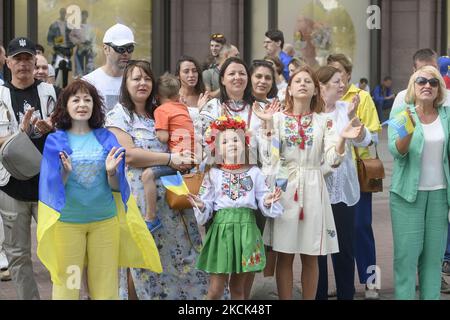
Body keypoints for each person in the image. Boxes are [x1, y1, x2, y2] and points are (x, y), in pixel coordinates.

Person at [37, 79, 162, 300]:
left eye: (88, 99)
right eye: (76, 100)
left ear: (95, 105)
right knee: (69, 286)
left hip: (104, 223)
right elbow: (51, 190)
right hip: (69, 225)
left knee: (105, 287)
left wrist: (112, 173)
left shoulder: (107, 138)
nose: (82, 104)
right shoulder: (55, 141)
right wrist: (64, 173)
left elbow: (117, 188)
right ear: (65, 106)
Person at [253, 66, 364, 300]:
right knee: (284, 255)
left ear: (316, 90)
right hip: (285, 189)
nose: (302, 84)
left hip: (315, 189)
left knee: (312, 255)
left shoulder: (325, 121)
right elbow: (267, 159)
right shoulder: (277, 119)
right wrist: (267, 126)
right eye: (298, 81)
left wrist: (343, 139)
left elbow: (333, 160)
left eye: (308, 81)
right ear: (290, 90)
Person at [106, 60, 209, 300]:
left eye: (147, 78)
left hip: (173, 200)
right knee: (140, 262)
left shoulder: (159, 110)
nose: (142, 83)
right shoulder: (119, 115)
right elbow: (129, 155)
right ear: (126, 83)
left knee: (179, 262)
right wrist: (170, 158)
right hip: (140, 201)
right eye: (136, 78)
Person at [188, 115, 283, 300]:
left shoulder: (254, 172)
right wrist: (201, 204)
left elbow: (262, 196)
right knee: (215, 290)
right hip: (221, 232)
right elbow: (206, 202)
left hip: (247, 231)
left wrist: (268, 199)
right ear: (216, 147)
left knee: (238, 289)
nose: (231, 143)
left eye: (236, 139)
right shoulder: (213, 173)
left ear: (244, 143)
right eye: (224, 141)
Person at [0, 37, 56, 300]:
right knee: (18, 255)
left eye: (27, 58)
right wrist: (19, 134)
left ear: (35, 61)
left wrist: (52, 127)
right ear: (8, 62)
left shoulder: (49, 92)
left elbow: (66, 127)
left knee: (59, 251)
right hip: (11, 185)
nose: (22, 63)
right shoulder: (0, 95)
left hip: (47, 184)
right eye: (17, 58)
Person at [388, 66, 450, 300]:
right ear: (413, 87)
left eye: (433, 82)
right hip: (406, 197)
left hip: (439, 195)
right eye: (421, 81)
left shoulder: (446, 116)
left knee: (433, 261)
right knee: (405, 259)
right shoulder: (404, 114)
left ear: (439, 90)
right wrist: (409, 130)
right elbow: (397, 151)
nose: (427, 85)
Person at [327, 53, 381, 299]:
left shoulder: (363, 97)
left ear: (348, 75)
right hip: (329, 177)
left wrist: (353, 125)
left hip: (357, 172)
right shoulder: (323, 99)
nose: (336, 80)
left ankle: (371, 281)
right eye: (331, 73)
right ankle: (341, 282)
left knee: (361, 227)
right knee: (336, 234)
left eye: (339, 73)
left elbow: (374, 135)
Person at [315, 66, 371, 300]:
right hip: (316, 192)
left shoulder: (344, 109)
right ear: (322, 86)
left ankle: (346, 294)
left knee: (345, 250)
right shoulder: (311, 114)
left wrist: (353, 116)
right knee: (317, 252)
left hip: (344, 192)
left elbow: (365, 140)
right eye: (337, 82)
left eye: (343, 81)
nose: (342, 86)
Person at [141, 73, 195, 232]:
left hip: (180, 159)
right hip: (191, 157)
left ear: (157, 96)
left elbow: (163, 137)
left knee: (147, 175)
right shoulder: (183, 107)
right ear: (178, 94)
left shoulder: (161, 110)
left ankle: (151, 217)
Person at [83, 23, 135, 113]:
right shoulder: (88, 82)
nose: (126, 53)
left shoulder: (139, 83)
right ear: (106, 49)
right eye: (120, 48)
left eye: (130, 48)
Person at [176, 55, 211, 139]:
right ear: (178, 75)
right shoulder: (174, 98)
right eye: (186, 71)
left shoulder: (205, 97)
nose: (191, 75)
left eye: (194, 71)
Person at [47, 8, 74, 88]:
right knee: (56, 69)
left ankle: (64, 89)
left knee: (65, 70)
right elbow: (49, 39)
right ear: (60, 13)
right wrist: (53, 47)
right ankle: (54, 88)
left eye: (64, 13)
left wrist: (71, 47)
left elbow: (73, 37)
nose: (63, 14)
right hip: (58, 50)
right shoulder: (54, 25)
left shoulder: (68, 25)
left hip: (67, 50)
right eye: (62, 12)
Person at [70, 10, 96, 77]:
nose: (83, 17)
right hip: (80, 47)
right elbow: (71, 36)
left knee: (89, 66)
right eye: (82, 15)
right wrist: (78, 42)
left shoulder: (90, 27)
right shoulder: (77, 26)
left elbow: (93, 38)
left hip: (88, 48)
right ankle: (79, 78)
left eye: (84, 15)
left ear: (87, 16)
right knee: (79, 65)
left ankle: (88, 79)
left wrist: (93, 48)